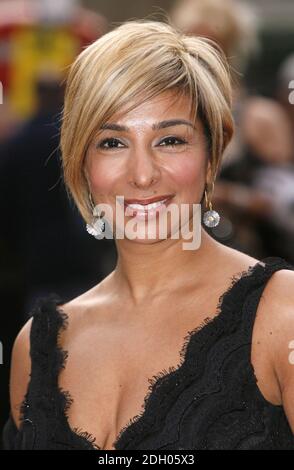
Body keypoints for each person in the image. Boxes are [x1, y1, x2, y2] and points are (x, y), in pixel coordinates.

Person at [2, 19, 294, 450]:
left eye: (171, 140)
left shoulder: (282, 315)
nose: (142, 175)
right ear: (80, 161)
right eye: (112, 143)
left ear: (212, 156)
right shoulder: (37, 347)